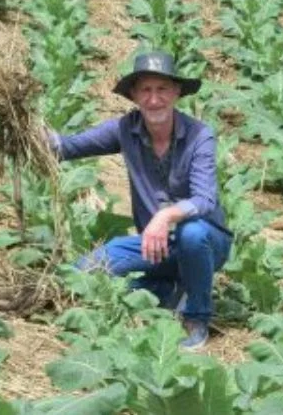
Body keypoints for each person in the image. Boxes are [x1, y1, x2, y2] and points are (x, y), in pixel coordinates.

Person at [51, 51, 232, 350]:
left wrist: (164, 217)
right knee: (85, 271)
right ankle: (168, 288)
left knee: (192, 232)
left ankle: (196, 318)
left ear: (176, 92)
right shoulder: (125, 129)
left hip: (206, 244)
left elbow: (204, 199)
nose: (154, 99)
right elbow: (67, 147)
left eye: (162, 89)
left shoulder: (200, 136)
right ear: (134, 95)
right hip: (155, 246)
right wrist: (27, 131)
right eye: (146, 90)